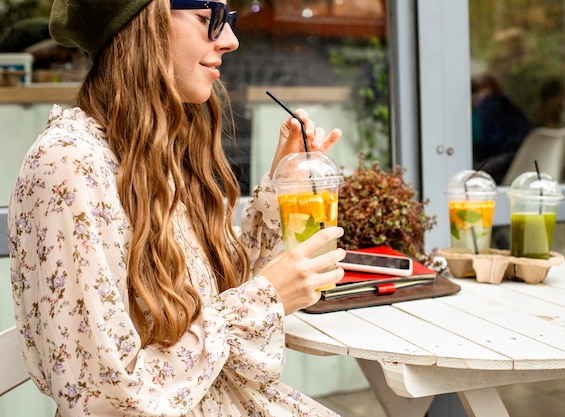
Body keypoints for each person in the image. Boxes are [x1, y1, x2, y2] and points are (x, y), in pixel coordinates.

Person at [7, 0, 346, 415]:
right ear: (142, 28)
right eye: (209, 19)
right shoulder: (68, 165)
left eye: (228, 21)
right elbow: (104, 399)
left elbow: (217, 308)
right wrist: (263, 297)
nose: (231, 41)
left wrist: (282, 182)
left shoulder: (158, 154)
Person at [471, 73, 532, 184]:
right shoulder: (505, 107)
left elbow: (489, 142)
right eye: (472, 93)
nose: (475, 98)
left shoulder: (489, 108)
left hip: (503, 162)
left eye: (477, 93)